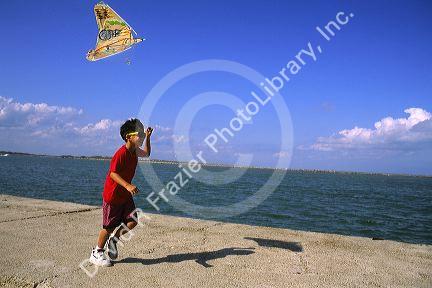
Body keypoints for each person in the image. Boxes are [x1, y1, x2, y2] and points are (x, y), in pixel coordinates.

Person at [89, 118, 153, 266]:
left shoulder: (135, 151)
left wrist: (148, 138)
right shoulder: (121, 153)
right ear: (128, 137)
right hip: (113, 195)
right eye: (140, 134)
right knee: (108, 227)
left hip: (125, 195)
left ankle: (114, 239)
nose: (142, 137)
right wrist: (128, 186)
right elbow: (113, 173)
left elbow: (147, 153)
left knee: (132, 221)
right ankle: (97, 252)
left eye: (143, 134)